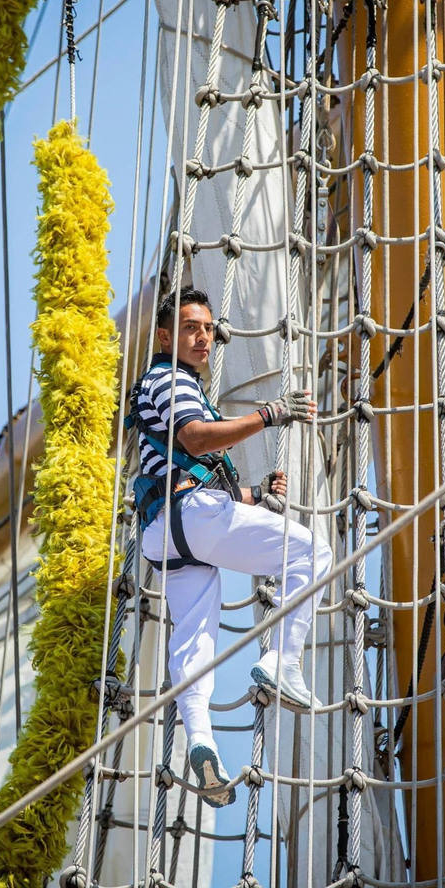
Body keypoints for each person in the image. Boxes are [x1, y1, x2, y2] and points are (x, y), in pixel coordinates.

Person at [126, 286, 333, 808]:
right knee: (312, 553)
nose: (205, 337)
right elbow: (197, 438)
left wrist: (254, 495)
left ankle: (199, 739)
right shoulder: (171, 379)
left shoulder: (159, 383)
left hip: (164, 533)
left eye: (209, 328)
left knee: (193, 640)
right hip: (190, 517)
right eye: (192, 328)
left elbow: (183, 468)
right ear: (165, 335)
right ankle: (281, 661)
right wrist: (271, 415)